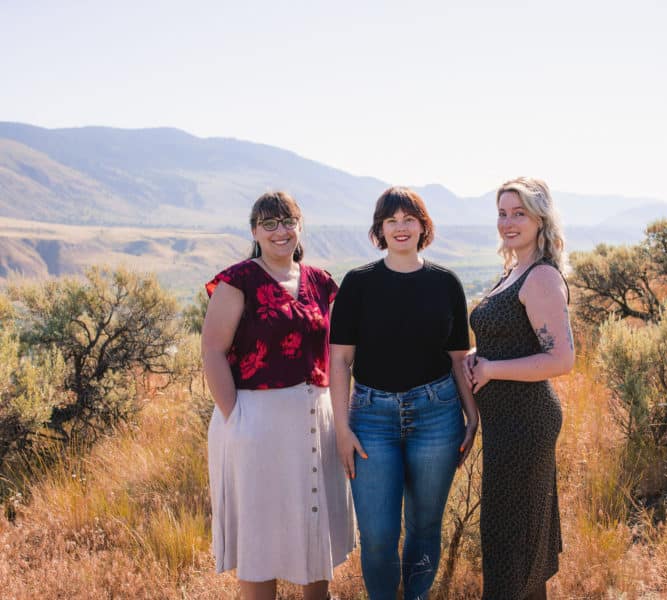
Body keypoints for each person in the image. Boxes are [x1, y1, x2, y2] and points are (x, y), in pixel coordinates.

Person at [202, 191, 355, 600]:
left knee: (313, 528)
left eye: (286, 221)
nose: (279, 231)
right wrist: (237, 417)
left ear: (299, 226)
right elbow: (212, 350)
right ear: (254, 231)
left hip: (316, 419)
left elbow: (341, 355)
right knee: (261, 537)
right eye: (268, 224)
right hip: (255, 420)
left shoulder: (321, 282)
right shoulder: (237, 281)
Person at [329, 186, 479, 600]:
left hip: (438, 416)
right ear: (379, 229)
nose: (400, 227)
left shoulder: (445, 283)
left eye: (408, 219)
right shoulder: (358, 284)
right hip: (371, 418)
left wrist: (472, 415)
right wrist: (341, 428)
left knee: (425, 525)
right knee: (377, 534)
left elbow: (457, 356)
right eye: (391, 220)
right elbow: (339, 361)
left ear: (422, 227)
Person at [464, 177, 574, 600]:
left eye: (519, 213)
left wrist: (491, 368)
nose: (508, 222)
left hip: (526, 422)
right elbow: (512, 337)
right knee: (511, 540)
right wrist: (479, 355)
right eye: (503, 213)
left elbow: (561, 359)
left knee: (514, 542)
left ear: (540, 219)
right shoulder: (514, 271)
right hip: (505, 423)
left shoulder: (542, 276)